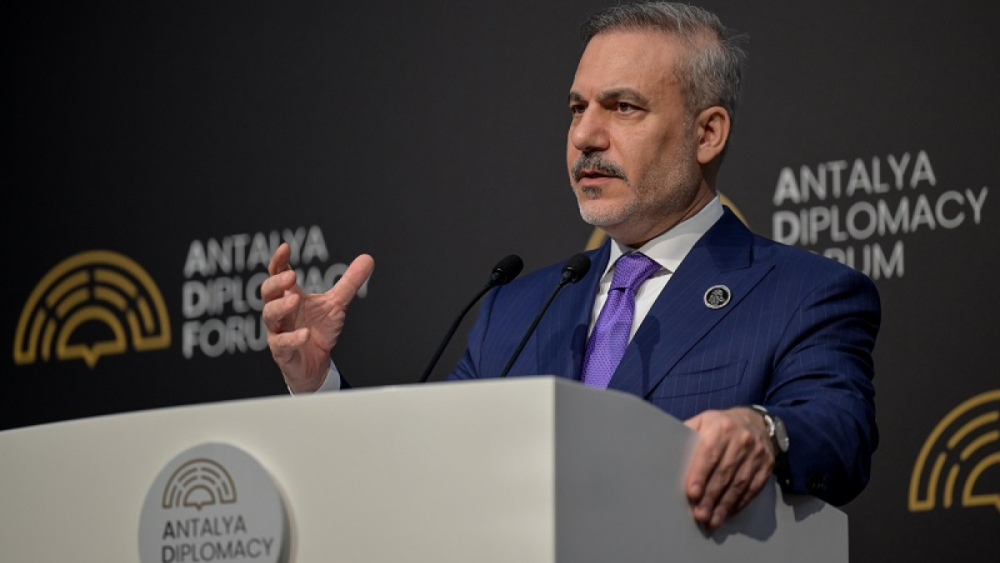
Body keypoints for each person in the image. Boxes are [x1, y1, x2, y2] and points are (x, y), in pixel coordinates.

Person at [262, 1, 879, 531]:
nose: (585, 135)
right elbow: (425, 464)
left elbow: (839, 428)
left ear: (707, 133)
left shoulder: (803, 293)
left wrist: (765, 431)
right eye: (577, 107)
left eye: (623, 107)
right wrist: (318, 385)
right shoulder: (516, 309)